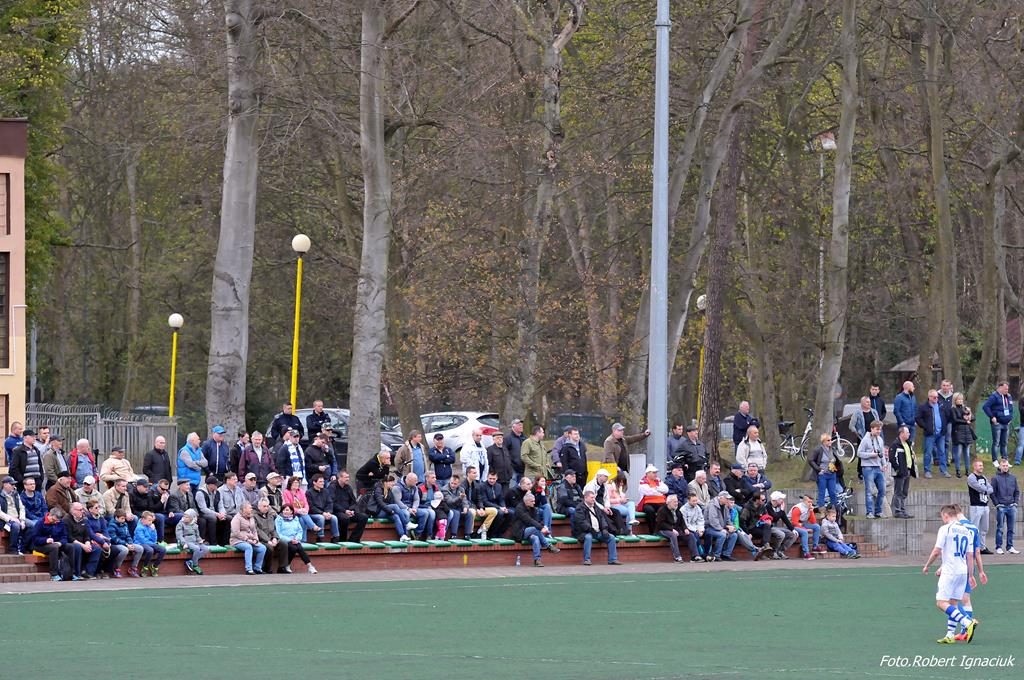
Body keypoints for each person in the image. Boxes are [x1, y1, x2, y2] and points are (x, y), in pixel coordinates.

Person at [922, 504, 978, 644]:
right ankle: (950, 635)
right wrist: (971, 575)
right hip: (963, 571)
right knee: (953, 602)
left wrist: (927, 565)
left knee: (941, 603)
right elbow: (970, 555)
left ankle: (967, 622)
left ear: (946, 515)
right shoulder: (966, 530)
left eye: (942, 517)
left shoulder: (945, 529)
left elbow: (937, 551)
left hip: (950, 571)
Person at [572, 490, 621, 565]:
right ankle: (587, 559)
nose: (593, 499)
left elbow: (602, 519)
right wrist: (592, 530)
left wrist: (604, 529)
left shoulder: (596, 507)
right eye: (592, 498)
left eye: (594, 498)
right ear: (585, 498)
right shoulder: (579, 508)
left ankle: (612, 559)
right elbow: (582, 522)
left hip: (597, 531)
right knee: (588, 537)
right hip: (583, 532)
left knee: (611, 537)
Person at [510, 492, 559, 566]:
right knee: (535, 529)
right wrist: (541, 528)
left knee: (536, 538)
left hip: (530, 532)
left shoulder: (533, 509)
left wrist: (540, 528)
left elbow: (536, 521)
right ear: (526, 501)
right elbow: (528, 520)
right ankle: (548, 545)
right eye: (532, 501)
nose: (534, 502)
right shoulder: (519, 508)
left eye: (534, 501)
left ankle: (537, 560)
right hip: (520, 532)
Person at [32, 508, 75, 581]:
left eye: (57, 521)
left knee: (70, 547)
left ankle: (71, 573)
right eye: (53, 520)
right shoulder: (40, 523)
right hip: (41, 545)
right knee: (54, 547)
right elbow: (34, 538)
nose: (55, 522)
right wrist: (45, 540)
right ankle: (54, 574)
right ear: (50, 515)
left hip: (56, 543)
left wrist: (60, 543)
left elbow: (64, 536)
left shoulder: (60, 523)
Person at [85, 498, 124, 577]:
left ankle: (106, 570)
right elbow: (91, 533)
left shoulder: (101, 518)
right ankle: (96, 571)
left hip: (102, 539)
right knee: (98, 549)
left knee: (115, 550)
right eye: (96, 508)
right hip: (93, 540)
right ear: (90, 509)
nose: (98, 509)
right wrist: (102, 542)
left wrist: (107, 542)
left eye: (99, 507)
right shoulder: (86, 519)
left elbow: (105, 530)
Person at [275, 504, 318, 573]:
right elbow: (278, 533)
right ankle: (287, 565)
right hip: (284, 539)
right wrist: (290, 540)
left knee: (300, 548)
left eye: (287, 510)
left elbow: (300, 530)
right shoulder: (278, 519)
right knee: (294, 548)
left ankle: (310, 566)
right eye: (283, 510)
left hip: (295, 539)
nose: (284, 512)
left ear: (291, 511)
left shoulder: (295, 519)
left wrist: (297, 539)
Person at [916, 390, 950, 478]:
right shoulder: (923, 407)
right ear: (929, 397)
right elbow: (918, 418)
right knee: (928, 452)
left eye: (937, 397)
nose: (936, 399)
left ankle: (944, 470)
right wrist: (925, 426)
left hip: (941, 434)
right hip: (930, 434)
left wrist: (944, 426)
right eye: (934, 397)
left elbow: (947, 416)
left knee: (942, 452)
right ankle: (927, 471)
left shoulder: (941, 405)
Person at [64, 502, 102, 579]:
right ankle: (77, 573)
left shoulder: (84, 520)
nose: (82, 511)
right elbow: (69, 537)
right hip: (72, 543)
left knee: (97, 549)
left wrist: (87, 543)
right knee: (77, 547)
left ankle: (88, 572)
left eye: (82, 509)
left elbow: (87, 535)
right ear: (73, 511)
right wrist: (83, 545)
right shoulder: (66, 520)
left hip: (83, 543)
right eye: (80, 510)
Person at [857, 420, 887, 518]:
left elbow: (882, 454)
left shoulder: (880, 439)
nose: (879, 431)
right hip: (868, 467)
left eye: (880, 429)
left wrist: (884, 464)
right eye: (877, 429)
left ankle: (878, 511)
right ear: (872, 429)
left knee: (882, 490)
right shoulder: (865, 440)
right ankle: (869, 512)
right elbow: (859, 453)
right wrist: (871, 455)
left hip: (878, 467)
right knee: (869, 491)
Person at [990, 459, 1020, 554]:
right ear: (1000, 466)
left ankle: (1010, 547)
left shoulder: (1013, 478)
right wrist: (997, 504)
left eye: (1006, 465)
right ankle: (998, 547)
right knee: (1000, 528)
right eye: (1003, 466)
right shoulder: (995, 478)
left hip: (1012, 506)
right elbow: (992, 493)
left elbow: (1017, 491)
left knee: (1011, 529)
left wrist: (1015, 503)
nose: (1005, 467)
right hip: (1001, 506)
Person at [656, 494, 697, 563]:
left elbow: (682, 521)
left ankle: (695, 556)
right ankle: (677, 557)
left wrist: (685, 528)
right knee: (673, 535)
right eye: (674, 502)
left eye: (677, 501)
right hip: (663, 530)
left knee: (690, 535)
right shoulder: (662, 510)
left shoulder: (678, 508)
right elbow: (660, 524)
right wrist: (671, 529)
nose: (676, 503)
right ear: (668, 502)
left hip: (676, 530)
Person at [329, 470, 368, 543]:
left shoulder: (348, 487)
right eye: (346, 477)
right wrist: (344, 511)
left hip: (348, 511)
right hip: (337, 511)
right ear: (340, 478)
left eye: (348, 477)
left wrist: (352, 510)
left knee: (364, 517)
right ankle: (342, 540)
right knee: (344, 518)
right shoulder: (332, 487)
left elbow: (353, 501)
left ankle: (353, 539)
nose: (348, 479)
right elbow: (331, 503)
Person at [230, 502, 267, 575]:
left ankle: (257, 568)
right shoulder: (236, 518)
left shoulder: (251, 517)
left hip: (251, 540)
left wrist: (256, 539)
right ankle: (249, 569)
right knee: (248, 547)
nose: (251, 509)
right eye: (250, 508)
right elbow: (236, 532)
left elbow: (254, 530)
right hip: (237, 541)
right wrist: (247, 540)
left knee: (262, 548)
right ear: (244, 509)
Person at [966, 459, 994, 554]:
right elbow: (978, 487)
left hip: (985, 506)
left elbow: (991, 489)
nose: (982, 467)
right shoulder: (971, 477)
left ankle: (982, 547)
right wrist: (986, 490)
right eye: (979, 465)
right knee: (974, 528)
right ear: (974, 466)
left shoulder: (983, 477)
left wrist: (986, 490)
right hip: (976, 506)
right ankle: (972, 548)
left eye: (982, 465)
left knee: (984, 529)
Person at [738, 491, 776, 560]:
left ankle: (765, 545)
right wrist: (747, 533)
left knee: (767, 527)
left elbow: (766, 516)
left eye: (765, 500)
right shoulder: (747, 508)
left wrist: (768, 520)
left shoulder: (762, 506)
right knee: (767, 533)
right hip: (750, 528)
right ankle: (764, 548)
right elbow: (742, 521)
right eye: (763, 500)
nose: (764, 501)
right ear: (757, 500)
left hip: (759, 526)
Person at [461, 466, 497, 539]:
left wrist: (481, 508)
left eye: (476, 473)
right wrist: (476, 509)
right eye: (474, 473)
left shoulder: (476, 485)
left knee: (494, 511)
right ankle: (470, 533)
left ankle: (481, 531)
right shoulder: (462, 485)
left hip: (476, 508)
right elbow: (465, 501)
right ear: (468, 474)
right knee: (472, 512)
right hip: (466, 508)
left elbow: (479, 499)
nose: (476, 475)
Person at [982, 381, 1013, 463]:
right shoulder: (994, 396)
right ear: (1000, 387)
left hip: (1006, 423)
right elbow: (985, 407)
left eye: (1007, 389)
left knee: (1004, 443)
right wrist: (992, 417)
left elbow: (1011, 408)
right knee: (996, 442)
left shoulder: (1008, 396)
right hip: (997, 423)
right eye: (1005, 389)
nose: (1007, 390)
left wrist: (1010, 418)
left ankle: (1005, 460)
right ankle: (995, 460)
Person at [106, 509, 144, 577]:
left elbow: (128, 535)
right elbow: (114, 539)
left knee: (140, 548)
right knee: (124, 550)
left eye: (124, 518)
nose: (124, 520)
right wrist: (126, 544)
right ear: (116, 518)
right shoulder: (111, 525)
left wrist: (130, 543)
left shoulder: (125, 524)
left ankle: (133, 568)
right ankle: (116, 568)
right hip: (115, 544)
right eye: (122, 518)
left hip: (126, 543)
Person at [889, 426, 916, 519]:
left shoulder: (908, 444)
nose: (909, 434)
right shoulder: (895, 445)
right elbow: (892, 458)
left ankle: (903, 510)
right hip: (900, 472)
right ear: (901, 433)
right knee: (898, 491)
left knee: (904, 492)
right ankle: (897, 511)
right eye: (907, 432)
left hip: (907, 470)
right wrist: (898, 469)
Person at [704, 491, 739, 562]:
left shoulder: (725, 506)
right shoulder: (712, 505)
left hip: (720, 527)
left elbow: (728, 519)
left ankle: (726, 554)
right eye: (726, 498)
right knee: (722, 535)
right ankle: (716, 555)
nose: (728, 500)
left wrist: (731, 526)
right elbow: (713, 521)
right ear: (721, 498)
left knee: (734, 535)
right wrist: (721, 529)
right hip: (709, 528)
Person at [808, 433, 840, 510]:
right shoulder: (818, 449)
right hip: (822, 474)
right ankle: (821, 509)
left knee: (833, 492)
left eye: (831, 440)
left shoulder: (832, 449)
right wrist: (818, 469)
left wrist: (836, 467)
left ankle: (833, 509)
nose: (830, 441)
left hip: (832, 474)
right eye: (828, 440)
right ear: (823, 441)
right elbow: (811, 460)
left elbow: (837, 460)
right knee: (822, 492)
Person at [253, 497, 285, 573]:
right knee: (269, 548)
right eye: (264, 506)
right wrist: (268, 541)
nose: (266, 508)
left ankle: (282, 567)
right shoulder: (254, 516)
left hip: (271, 538)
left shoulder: (270, 515)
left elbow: (273, 529)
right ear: (259, 507)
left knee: (283, 544)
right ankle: (267, 568)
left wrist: (275, 538)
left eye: (267, 506)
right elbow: (258, 531)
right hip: (261, 539)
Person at [175, 508, 210, 575]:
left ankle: (191, 561)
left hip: (194, 541)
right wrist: (184, 543)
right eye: (184, 516)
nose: (185, 518)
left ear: (191, 518)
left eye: (187, 517)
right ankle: (195, 565)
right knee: (196, 548)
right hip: (186, 541)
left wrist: (200, 540)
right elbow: (179, 535)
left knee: (206, 549)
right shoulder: (180, 524)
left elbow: (197, 535)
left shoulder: (195, 525)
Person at [132, 510, 167, 576]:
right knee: (150, 550)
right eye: (149, 520)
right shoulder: (139, 528)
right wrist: (153, 544)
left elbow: (154, 539)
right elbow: (142, 540)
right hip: (140, 543)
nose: (151, 522)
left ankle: (154, 566)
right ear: (143, 519)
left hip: (150, 543)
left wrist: (153, 530)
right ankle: (145, 566)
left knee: (163, 550)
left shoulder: (150, 527)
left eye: (151, 520)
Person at [765, 491, 798, 560]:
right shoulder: (767, 506)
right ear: (775, 500)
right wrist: (782, 510)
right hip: (768, 527)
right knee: (781, 534)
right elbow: (774, 518)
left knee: (793, 535)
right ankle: (773, 552)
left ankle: (780, 551)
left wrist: (792, 529)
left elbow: (785, 519)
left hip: (775, 527)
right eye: (781, 499)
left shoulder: (779, 507)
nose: (782, 501)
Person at [789, 494, 824, 559]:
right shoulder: (798, 508)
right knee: (804, 532)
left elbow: (813, 522)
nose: (810, 504)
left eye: (811, 502)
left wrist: (811, 511)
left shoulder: (809, 507)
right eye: (808, 502)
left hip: (802, 523)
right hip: (791, 525)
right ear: (804, 501)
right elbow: (794, 522)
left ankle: (815, 546)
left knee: (817, 527)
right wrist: (805, 529)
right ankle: (806, 553)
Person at [0, 476, 29, 554]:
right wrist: (11, 519)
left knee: (32, 526)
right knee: (16, 526)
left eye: (14, 484)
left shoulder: (16, 494)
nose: (14, 486)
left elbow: (22, 507)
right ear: (5, 485)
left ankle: (26, 548)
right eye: (11, 484)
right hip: (5, 521)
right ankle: (13, 549)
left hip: (18, 518)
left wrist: (22, 520)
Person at [307, 473, 339, 541]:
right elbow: (311, 507)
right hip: (313, 514)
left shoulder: (326, 491)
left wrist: (328, 512)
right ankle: (320, 537)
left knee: (334, 518)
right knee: (321, 518)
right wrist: (322, 513)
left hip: (325, 513)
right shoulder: (309, 492)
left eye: (323, 481)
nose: (323, 483)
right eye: (320, 482)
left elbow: (330, 503)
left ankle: (335, 537)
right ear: (314, 482)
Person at [950, 393, 975, 478]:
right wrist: (965, 421)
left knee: (967, 453)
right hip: (958, 432)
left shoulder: (965, 408)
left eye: (961, 399)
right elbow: (955, 420)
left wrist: (969, 413)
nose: (960, 401)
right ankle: (958, 470)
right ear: (955, 400)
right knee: (958, 453)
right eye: (958, 399)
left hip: (967, 432)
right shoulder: (953, 409)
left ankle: (967, 470)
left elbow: (973, 418)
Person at [392, 472, 424, 540]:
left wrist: (414, 508)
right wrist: (408, 509)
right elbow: (397, 501)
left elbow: (416, 499)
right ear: (408, 480)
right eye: (415, 481)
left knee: (426, 513)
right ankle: (406, 535)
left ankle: (417, 535)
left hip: (412, 508)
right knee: (406, 513)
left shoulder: (415, 487)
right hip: (402, 508)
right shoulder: (397, 487)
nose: (417, 482)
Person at [196, 475, 226, 544]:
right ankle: (213, 542)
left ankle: (224, 542)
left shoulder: (217, 492)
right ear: (210, 485)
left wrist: (222, 513)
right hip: (202, 513)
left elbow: (221, 505)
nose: (217, 486)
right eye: (216, 484)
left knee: (227, 518)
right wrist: (217, 514)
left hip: (215, 512)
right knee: (213, 518)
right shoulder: (200, 493)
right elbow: (203, 509)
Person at [637, 464, 668, 534]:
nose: (655, 474)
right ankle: (653, 531)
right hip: (648, 503)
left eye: (656, 472)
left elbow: (666, 489)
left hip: (661, 502)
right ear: (648, 473)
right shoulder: (643, 482)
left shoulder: (658, 481)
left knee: (666, 509)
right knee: (650, 511)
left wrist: (656, 489)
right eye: (653, 473)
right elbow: (648, 492)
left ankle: (664, 529)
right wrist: (659, 491)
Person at [680, 493, 707, 562]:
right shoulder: (683, 509)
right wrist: (696, 530)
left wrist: (701, 529)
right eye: (693, 501)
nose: (695, 502)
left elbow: (700, 520)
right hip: (687, 529)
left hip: (697, 528)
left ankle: (707, 553)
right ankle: (701, 555)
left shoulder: (698, 508)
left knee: (708, 533)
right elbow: (685, 523)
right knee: (695, 535)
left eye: (696, 500)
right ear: (688, 501)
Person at [481, 470, 509, 538]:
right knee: (500, 513)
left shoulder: (499, 486)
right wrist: (499, 508)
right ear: (487, 478)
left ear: (496, 478)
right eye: (490, 478)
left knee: (510, 513)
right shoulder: (482, 486)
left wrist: (504, 507)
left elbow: (501, 499)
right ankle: (492, 533)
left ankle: (500, 532)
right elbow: (485, 502)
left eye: (494, 479)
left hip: (498, 506)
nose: (492, 480)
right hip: (487, 506)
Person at [444, 474, 469, 540]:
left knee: (469, 513)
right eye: (452, 483)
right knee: (456, 513)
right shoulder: (445, 489)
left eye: (455, 484)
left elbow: (464, 500)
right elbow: (450, 501)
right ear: (449, 481)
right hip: (449, 508)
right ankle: (453, 535)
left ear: (458, 484)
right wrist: (459, 498)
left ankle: (467, 534)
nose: (453, 485)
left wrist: (465, 507)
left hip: (458, 507)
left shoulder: (461, 489)